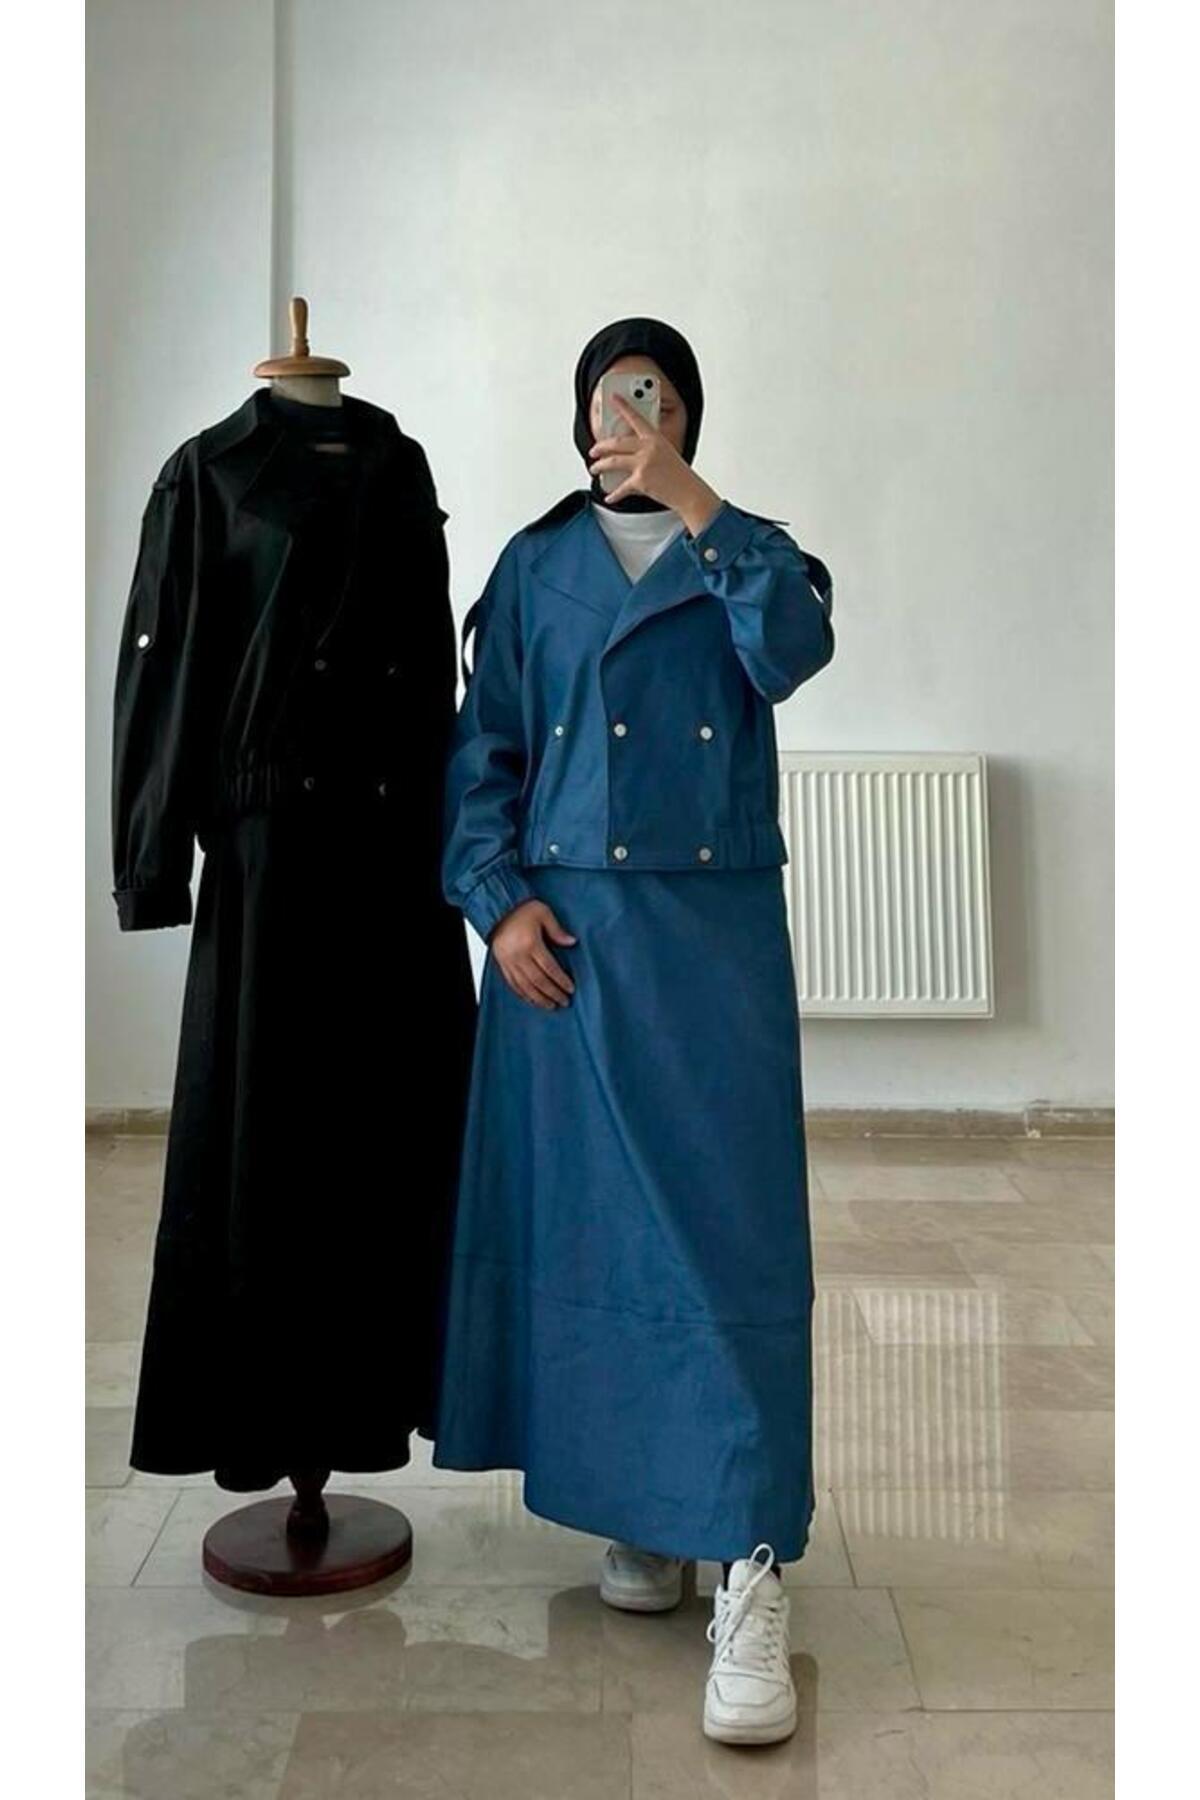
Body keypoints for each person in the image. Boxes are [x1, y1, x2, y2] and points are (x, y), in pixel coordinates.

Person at [433, 316, 835, 1745]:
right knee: (597, 1247)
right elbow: (481, 755)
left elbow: (792, 651)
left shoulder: (749, 552)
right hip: (566, 960)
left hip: (709, 949)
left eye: (653, 397)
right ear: (577, 414)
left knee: (728, 1244)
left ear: (686, 414)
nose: (629, 416)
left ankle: (752, 1562)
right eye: (610, 396)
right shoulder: (532, 566)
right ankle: (645, 1512)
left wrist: (691, 498)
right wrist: (498, 907)